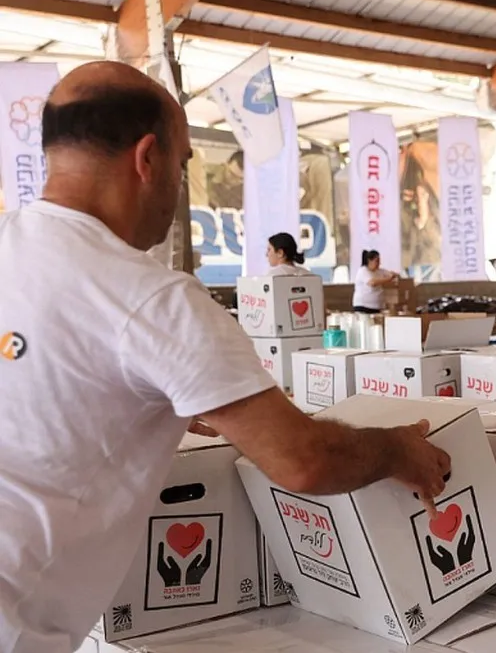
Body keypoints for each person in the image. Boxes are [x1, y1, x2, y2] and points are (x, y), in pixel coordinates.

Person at [0, 62, 452, 653]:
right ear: (147, 158)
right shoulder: (151, 296)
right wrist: (400, 450)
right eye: (185, 162)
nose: (178, 184)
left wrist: (167, 402)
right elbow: (303, 461)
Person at [353, 249, 403, 314]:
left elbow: (393, 275)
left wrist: (395, 275)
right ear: (369, 261)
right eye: (376, 261)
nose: (379, 263)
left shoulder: (380, 271)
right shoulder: (363, 271)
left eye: (379, 261)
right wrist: (389, 279)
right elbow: (372, 283)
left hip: (377, 307)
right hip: (363, 306)